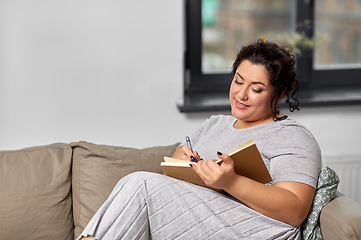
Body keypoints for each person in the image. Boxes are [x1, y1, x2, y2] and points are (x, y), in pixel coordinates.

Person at [78, 38, 322, 240]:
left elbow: (295, 210)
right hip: (200, 225)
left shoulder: (292, 135)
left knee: (139, 184)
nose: (241, 94)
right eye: (238, 81)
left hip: (256, 229)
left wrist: (231, 181)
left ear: (277, 94)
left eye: (256, 89)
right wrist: (177, 162)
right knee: (136, 185)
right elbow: (169, 194)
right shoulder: (214, 124)